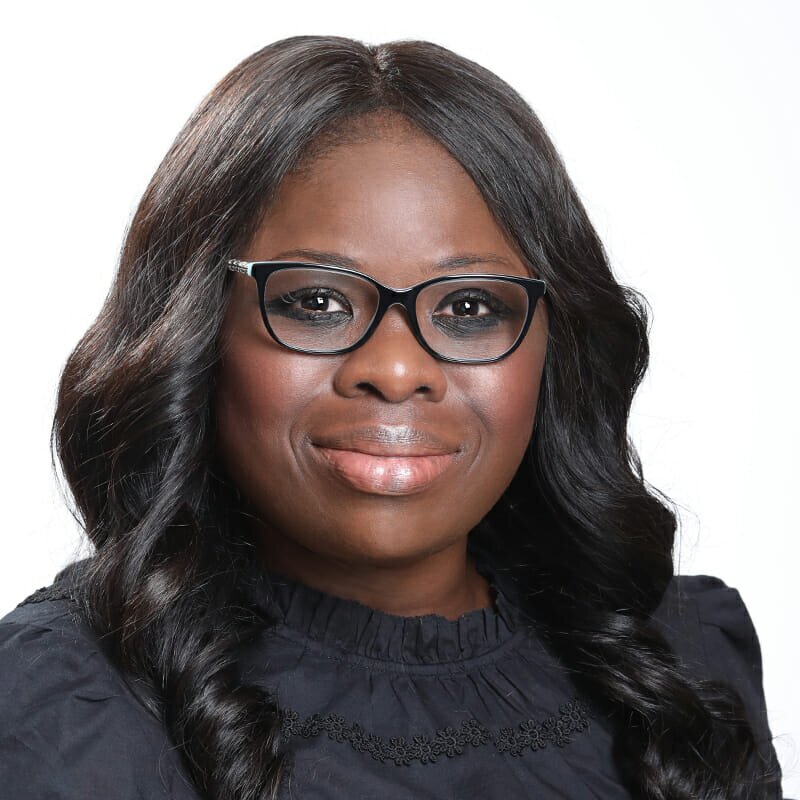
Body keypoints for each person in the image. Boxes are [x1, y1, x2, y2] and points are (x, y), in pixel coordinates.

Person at [0, 35, 784, 800]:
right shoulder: (65, 708)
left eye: (470, 308)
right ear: (196, 329)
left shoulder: (678, 664)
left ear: (556, 344)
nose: (397, 369)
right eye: (315, 302)